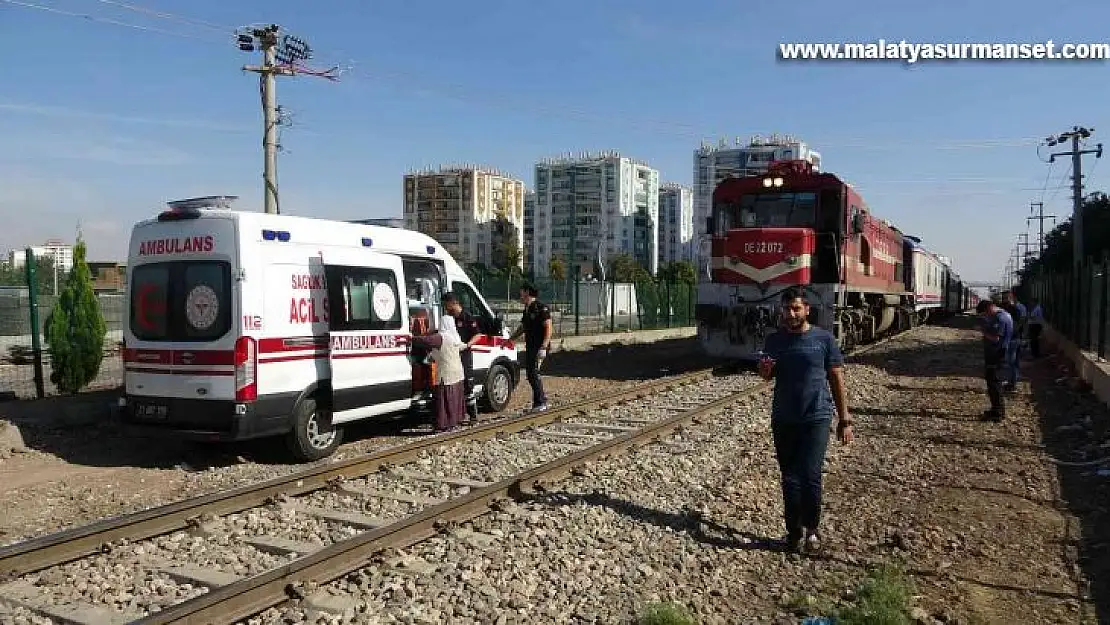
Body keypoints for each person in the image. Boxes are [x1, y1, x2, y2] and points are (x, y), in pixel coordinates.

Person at [757, 287, 852, 555]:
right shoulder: (774, 340)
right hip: (784, 417)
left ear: (807, 309)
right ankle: (793, 532)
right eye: (786, 309)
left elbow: (836, 378)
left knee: (810, 475)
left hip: (817, 416)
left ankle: (812, 530)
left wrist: (845, 419)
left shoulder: (823, 339)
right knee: (789, 478)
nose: (791, 314)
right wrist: (764, 371)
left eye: (796, 308)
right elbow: (767, 374)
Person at [409, 326, 467, 433]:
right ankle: (454, 423)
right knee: (455, 400)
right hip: (458, 372)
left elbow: (425, 341)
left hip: (447, 373)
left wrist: (411, 337)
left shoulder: (441, 338)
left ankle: (443, 425)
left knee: (444, 401)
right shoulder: (455, 337)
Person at [508, 284, 552, 413]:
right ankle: (538, 401)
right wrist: (511, 339)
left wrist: (544, 347)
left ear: (527, 292)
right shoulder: (527, 309)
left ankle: (541, 402)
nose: (520, 295)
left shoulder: (540, 308)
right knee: (530, 373)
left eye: (521, 292)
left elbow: (548, 327)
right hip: (531, 346)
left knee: (533, 372)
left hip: (539, 346)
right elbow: (523, 327)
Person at [443, 292, 483, 424]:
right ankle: (458, 415)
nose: (446, 308)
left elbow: (477, 335)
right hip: (452, 355)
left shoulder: (467, 317)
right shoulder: (449, 318)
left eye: (447, 305)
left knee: (467, 384)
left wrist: (467, 345)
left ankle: (473, 416)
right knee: (454, 384)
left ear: (454, 303)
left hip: (464, 354)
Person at [976, 298, 1012, 422]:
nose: (986, 316)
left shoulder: (999, 318)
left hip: (996, 355)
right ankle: (996, 409)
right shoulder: (1005, 315)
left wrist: (984, 331)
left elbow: (996, 338)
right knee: (994, 384)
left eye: (985, 313)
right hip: (998, 354)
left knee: (994, 384)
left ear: (989, 308)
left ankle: (998, 412)